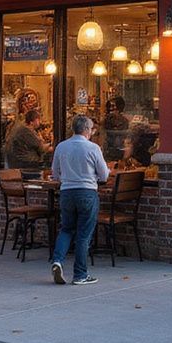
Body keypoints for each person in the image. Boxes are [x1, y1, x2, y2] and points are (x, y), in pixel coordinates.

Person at [50, 114, 109, 286]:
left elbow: (55, 173)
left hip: (67, 192)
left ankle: (57, 261)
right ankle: (80, 274)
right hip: (87, 192)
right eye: (91, 129)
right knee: (83, 235)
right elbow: (104, 174)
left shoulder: (61, 147)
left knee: (66, 229)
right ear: (86, 130)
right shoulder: (93, 148)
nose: (92, 132)